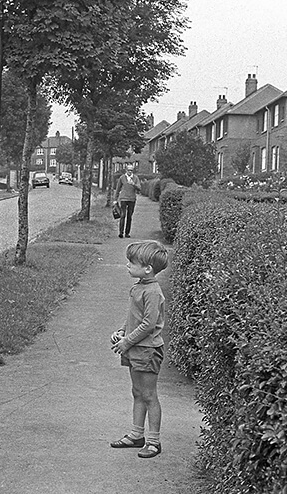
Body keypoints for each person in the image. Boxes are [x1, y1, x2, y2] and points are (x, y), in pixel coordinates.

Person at [109, 240, 168, 459]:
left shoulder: (152, 292)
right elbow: (134, 318)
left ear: (147, 268)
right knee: (137, 392)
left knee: (149, 395)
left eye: (131, 262)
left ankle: (153, 441)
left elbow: (148, 325)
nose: (127, 265)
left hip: (147, 350)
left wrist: (127, 342)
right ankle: (136, 435)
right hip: (135, 347)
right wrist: (122, 331)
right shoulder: (139, 287)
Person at [113, 165, 141, 238]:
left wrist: (133, 184)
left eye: (131, 170)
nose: (130, 171)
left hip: (132, 199)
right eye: (129, 170)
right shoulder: (122, 178)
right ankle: (121, 232)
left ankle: (127, 233)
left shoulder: (135, 178)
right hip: (123, 199)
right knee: (123, 215)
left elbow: (139, 188)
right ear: (126, 170)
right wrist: (115, 199)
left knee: (129, 216)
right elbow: (118, 188)